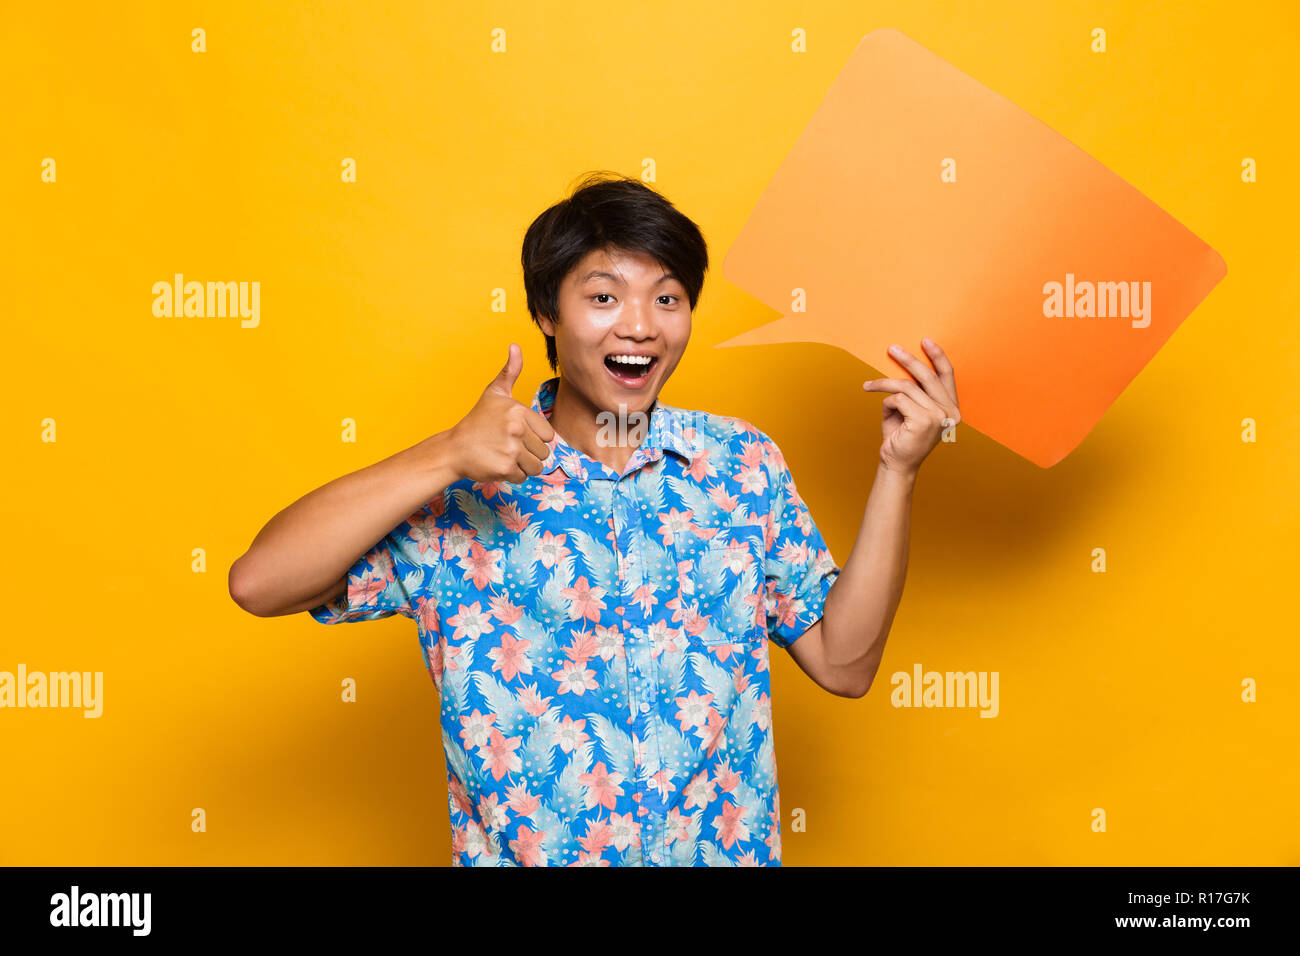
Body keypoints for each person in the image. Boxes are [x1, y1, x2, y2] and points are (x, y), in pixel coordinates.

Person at [228, 171, 961, 866]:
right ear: (547, 312)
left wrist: (898, 470)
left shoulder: (741, 467)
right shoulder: (462, 491)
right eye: (604, 298)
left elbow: (846, 662)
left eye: (668, 300)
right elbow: (260, 582)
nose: (640, 327)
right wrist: (445, 454)